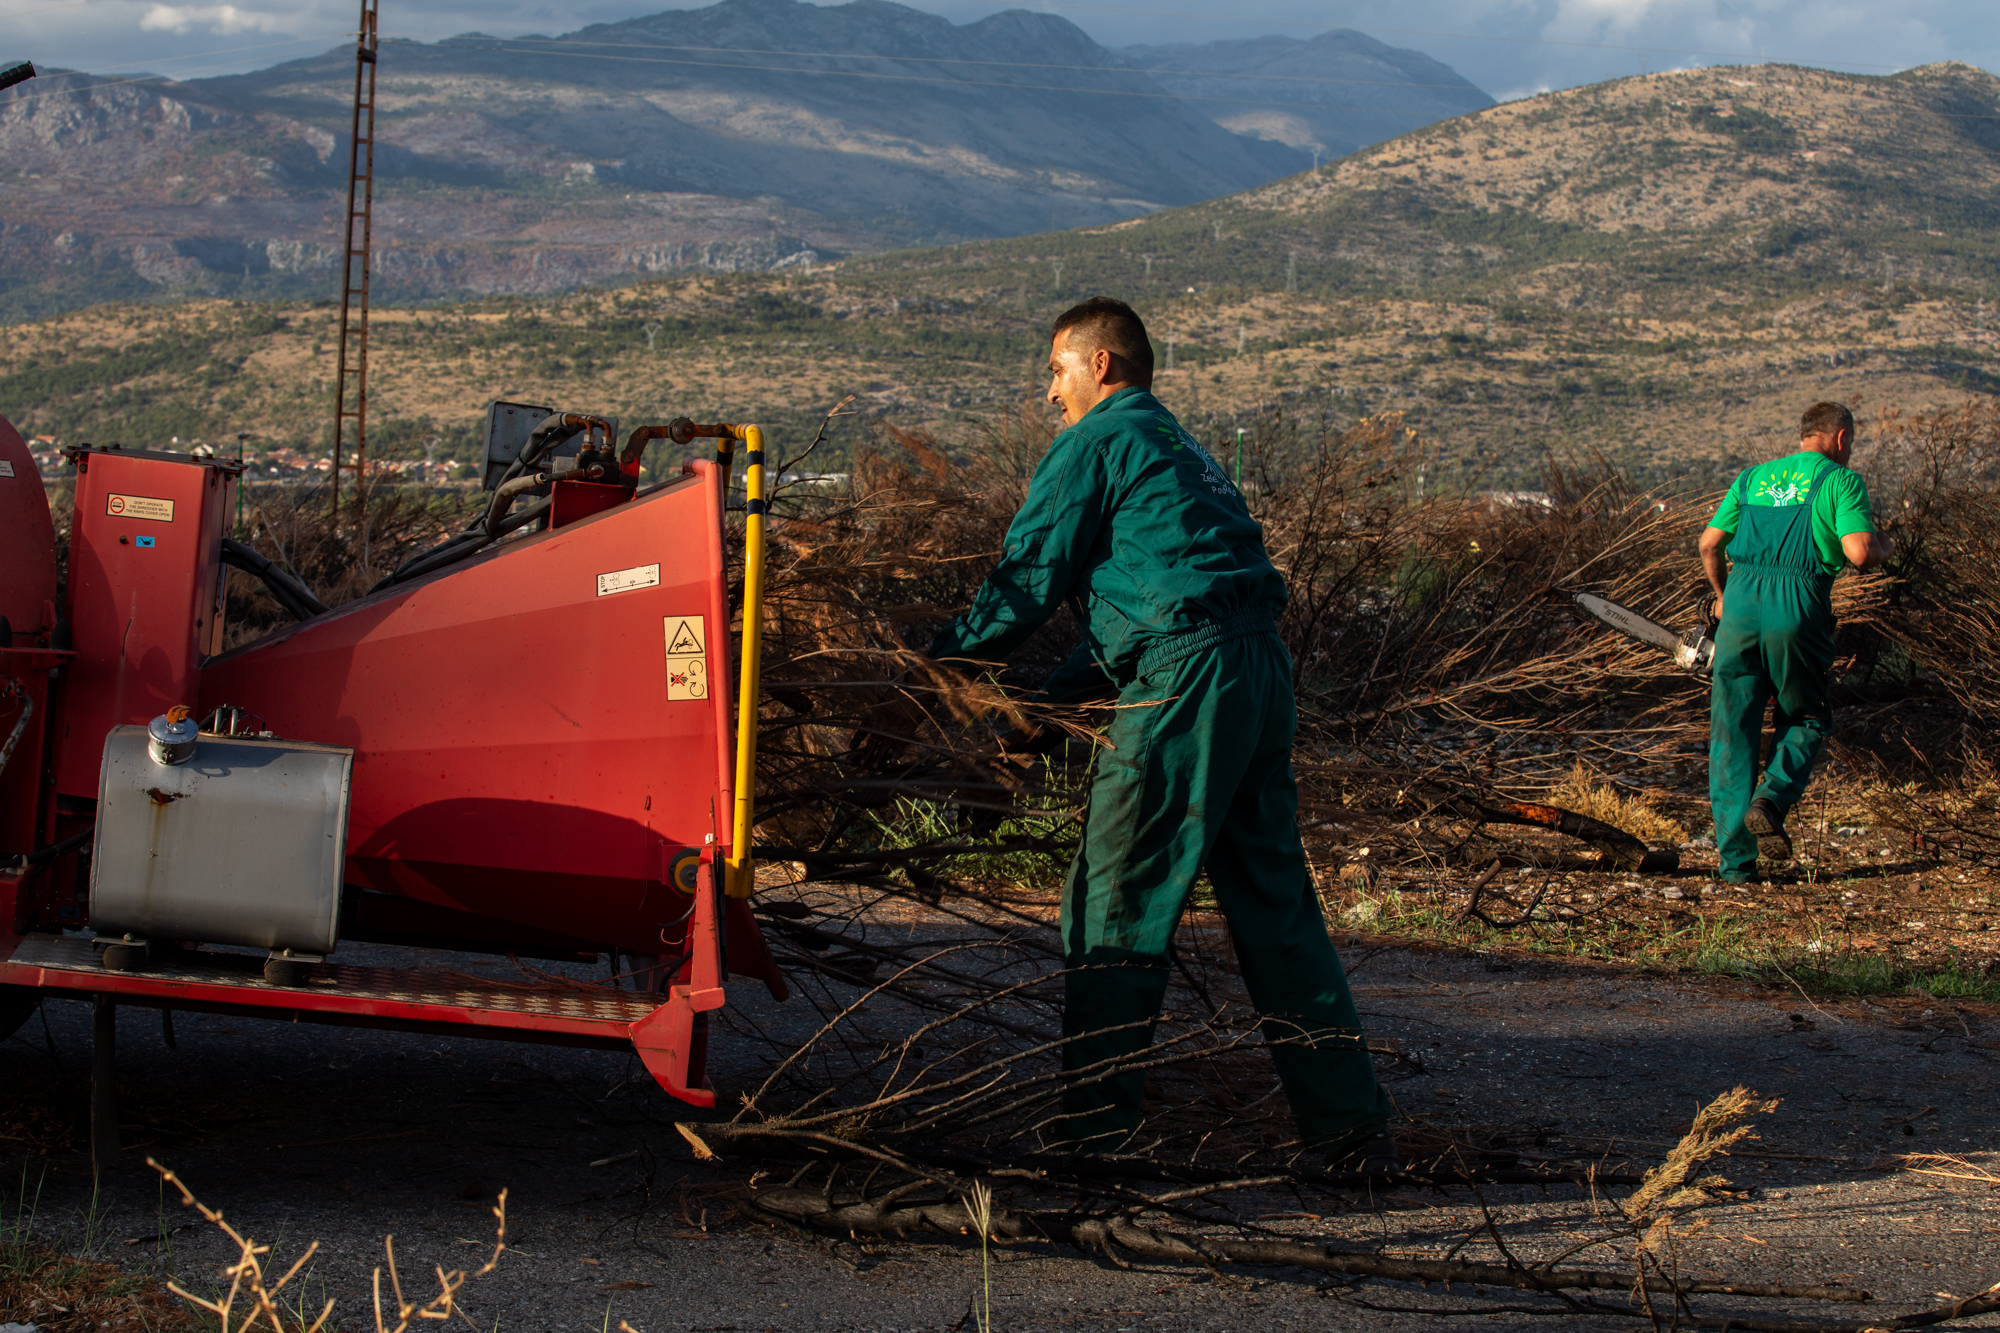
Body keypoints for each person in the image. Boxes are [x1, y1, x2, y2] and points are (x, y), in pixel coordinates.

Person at [929, 296, 1393, 1164]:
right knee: (1277, 909)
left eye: (1058, 370)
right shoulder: (1183, 448)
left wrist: (930, 667)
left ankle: (1095, 1136)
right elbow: (1157, 605)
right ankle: (1349, 1126)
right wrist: (1046, 719)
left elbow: (1026, 584)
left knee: (1117, 897)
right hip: (1254, 674)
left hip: (1189, 686)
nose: (1051, 392)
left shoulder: (1098, 439)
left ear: (1100, 365)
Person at [1698, 401, 1892, 883]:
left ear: (1803, 434)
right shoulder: (1839, 480)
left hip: (1739, 607)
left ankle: (1736, 867)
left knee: (1731, 732)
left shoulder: (1751, 478)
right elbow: (1859, 552)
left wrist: (1723, 598)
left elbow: (1708, 543)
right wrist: (1884, 543)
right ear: (1842, 438)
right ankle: (1771, 798)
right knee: (1805, 716)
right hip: (1798, 607)